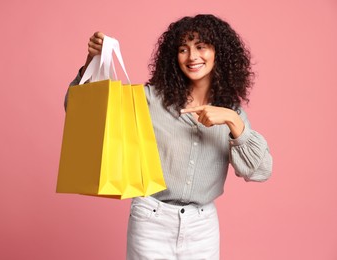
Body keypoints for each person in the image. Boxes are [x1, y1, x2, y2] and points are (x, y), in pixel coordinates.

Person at [66, 14, 272, 260]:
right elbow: (80, 112)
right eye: (183, 49)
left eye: (201, 47)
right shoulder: (151, 99)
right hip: (151, 221)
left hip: (202, 227)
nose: (192, 56)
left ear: (219, 53)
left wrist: (233, 120)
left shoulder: (232, 113)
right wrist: (91, 63)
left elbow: (260, 171)